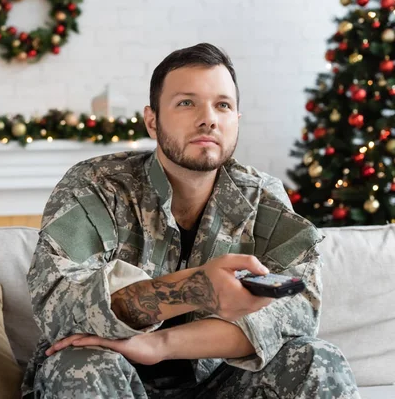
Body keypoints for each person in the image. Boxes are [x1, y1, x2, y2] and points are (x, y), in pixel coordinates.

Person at [21, 43, 360, 399]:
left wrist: (161, 343)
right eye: (186, 102)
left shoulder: (262, 198)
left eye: (223, 105)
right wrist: (194, 288)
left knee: (316, 359)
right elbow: (60, 306)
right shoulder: (97, 186)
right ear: (152, 121)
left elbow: (297, 313)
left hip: (217, 384)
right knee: (82, 363)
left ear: (236, 121)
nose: (209, 118)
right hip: (108, 376)